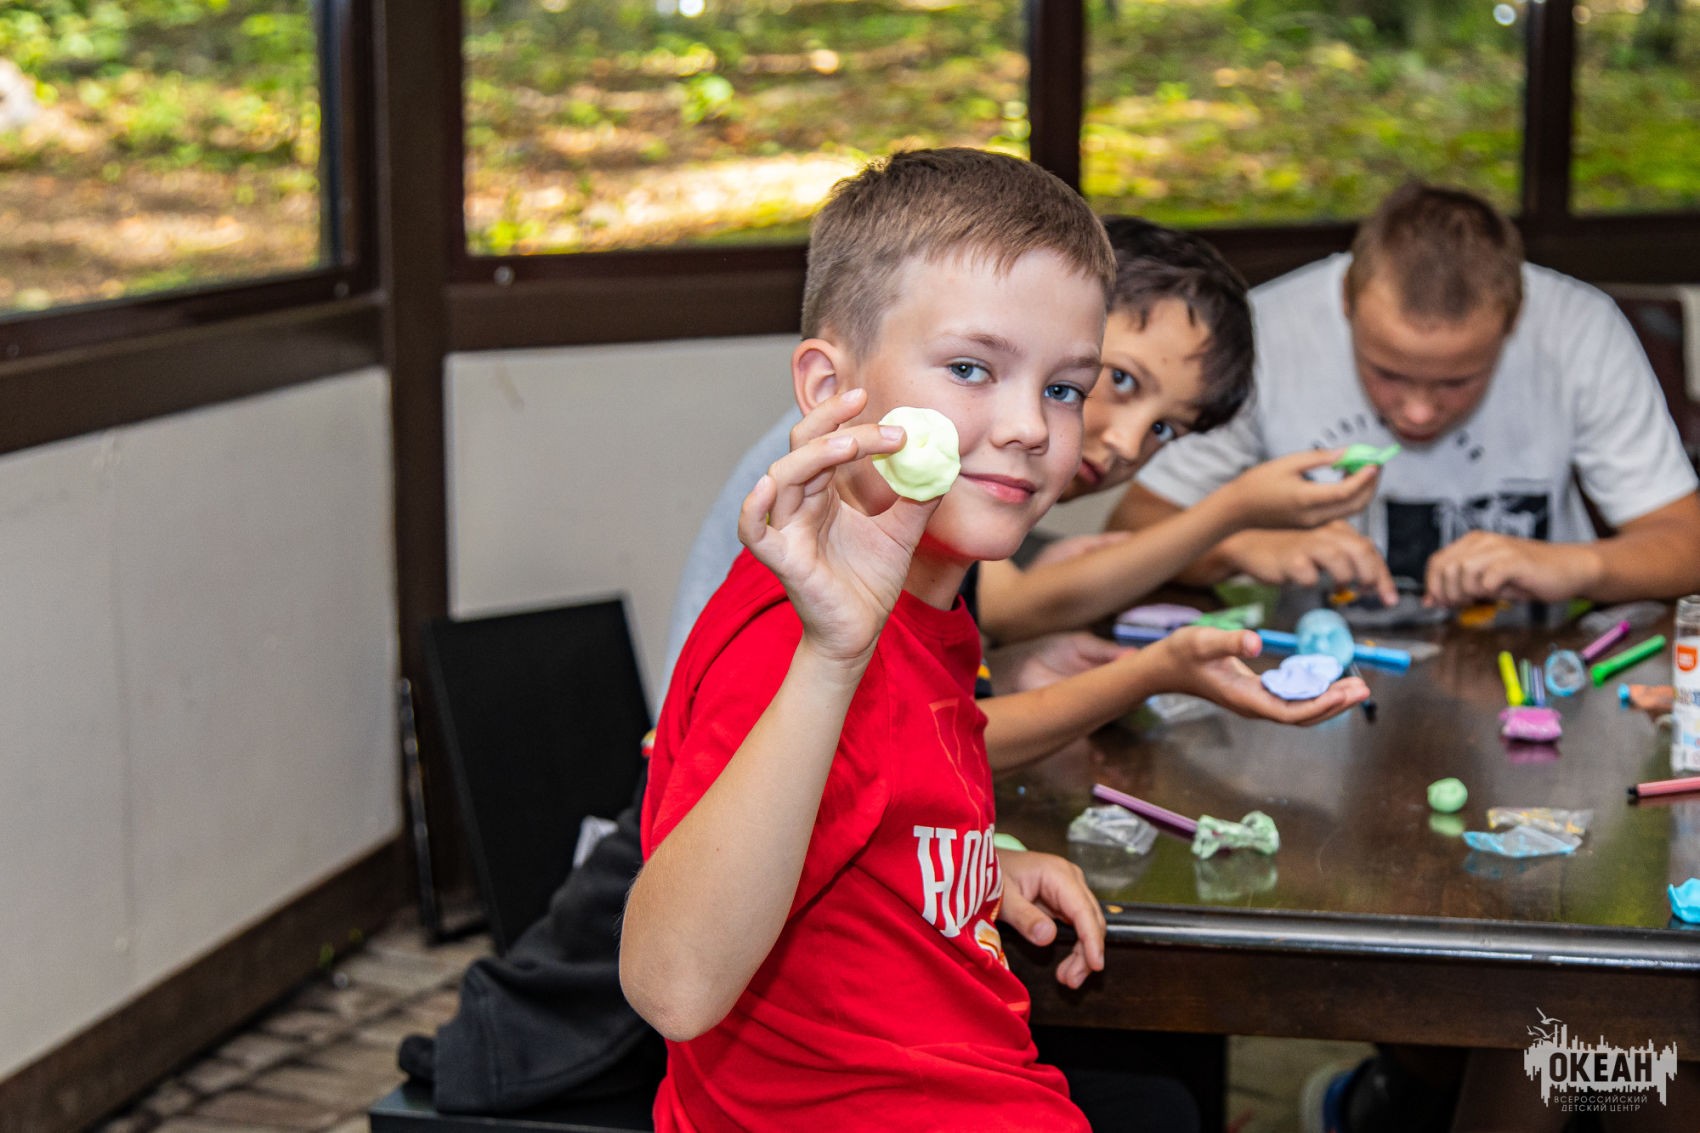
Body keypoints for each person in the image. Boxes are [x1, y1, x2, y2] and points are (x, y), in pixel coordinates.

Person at [619, 146, 1137, 1130]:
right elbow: (675, 985)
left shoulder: (930, 604)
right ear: (829, 387)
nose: (1029, 425)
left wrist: (966, 870)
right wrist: (829, 659)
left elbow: (852, 817)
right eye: (971, 368)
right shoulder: (796, 637)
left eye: (1064, 388)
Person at [662, 216, 1375, 773]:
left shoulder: (952, 493)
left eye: (1165, 428)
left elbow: (927, 686)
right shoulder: (870, 459)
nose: (1128, 445)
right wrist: (1225, 525)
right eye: (1114, 382)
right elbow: (918, 736)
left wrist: (1005, 673)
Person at [1109, 182, 1700, 610]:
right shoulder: (1267, 330)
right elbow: (1132, 531)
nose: (1418, 412)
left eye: (1457, 382)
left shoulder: (1580, 328)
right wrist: (1241, 547)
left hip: (1542, 670)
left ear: (1513, 321)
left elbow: (1686, 544)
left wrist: (1577, 565)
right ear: (1347, 303)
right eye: (1387, 372)